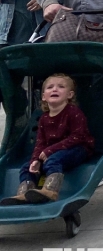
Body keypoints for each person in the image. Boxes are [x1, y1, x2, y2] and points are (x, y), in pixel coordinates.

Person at [0, 74, 95, 204]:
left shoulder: (74, 112)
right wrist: (35, 160)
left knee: (53, 160)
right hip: (53, 153)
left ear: (70, 95)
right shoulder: (44, 118)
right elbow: (40, 143)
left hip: (78, 149)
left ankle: (51, 191)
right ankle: (25, 192)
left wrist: (50, 151)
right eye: (50, 87)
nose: (55, 89)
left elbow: (78, 137)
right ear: (44, 96)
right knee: (26, 167)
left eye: (61, 87)